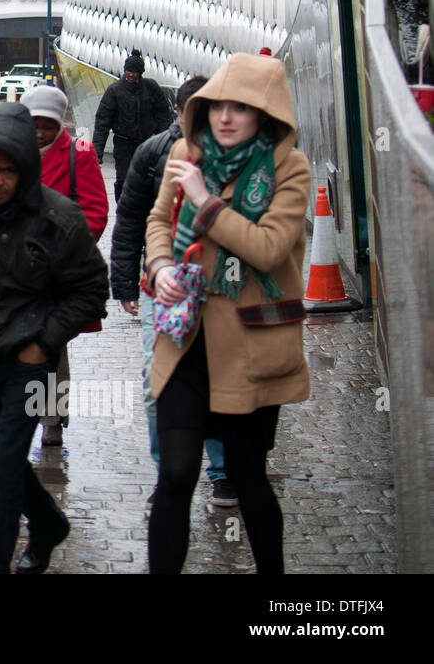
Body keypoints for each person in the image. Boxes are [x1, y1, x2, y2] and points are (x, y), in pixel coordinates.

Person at [144, 52, 310, 574]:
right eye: (217, 106)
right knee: (174, 474)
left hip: (249, 347)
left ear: (266, 113)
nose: (226, 118)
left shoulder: (289, 170)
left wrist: (206, 202)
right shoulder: (184, 153)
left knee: (247, 476)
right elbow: (158, 221)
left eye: (242, 107)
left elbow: (267, 248)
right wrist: (160, 267)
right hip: (187, 341)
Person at [0, 103, 108, 573]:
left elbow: (92, 289)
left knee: (1, 475)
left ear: (24, 169)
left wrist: (43, 344)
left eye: (7, 171)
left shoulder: (58, 219)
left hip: (28, 366)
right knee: (4, 456)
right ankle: (48, 522)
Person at [108, 75, 236, 507]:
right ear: (178, 112)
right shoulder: (154, 152)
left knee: (220, 374)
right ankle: (169, 472)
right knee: (155, 377)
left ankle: (222, 471)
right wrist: (124, 280)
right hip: (163, 285)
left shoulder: (237, 155)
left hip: (220, 288)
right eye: (194, 113)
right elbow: (131, 220)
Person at [19, 86, 109, 447]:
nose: (39, 132)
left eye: (47, 125)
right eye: (33, 124)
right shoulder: (9, 152)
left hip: (56, 272)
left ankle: (52, 417)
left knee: (49, 347)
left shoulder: (78, 154)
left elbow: (96, 212)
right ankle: (14, 418)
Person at [92, 49, 173, 200]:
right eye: (128, 71)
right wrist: (97, 152)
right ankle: (122, 207)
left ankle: (142, 211)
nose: (130, 75)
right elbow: (102, 122)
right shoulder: (115, 91)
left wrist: (165, 142)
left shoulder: (151, 88)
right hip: (123, 144)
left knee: (146, 179)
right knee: (123, 179)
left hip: (147, 143)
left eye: (134, 72)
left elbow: (163, 115)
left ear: (140, 73)